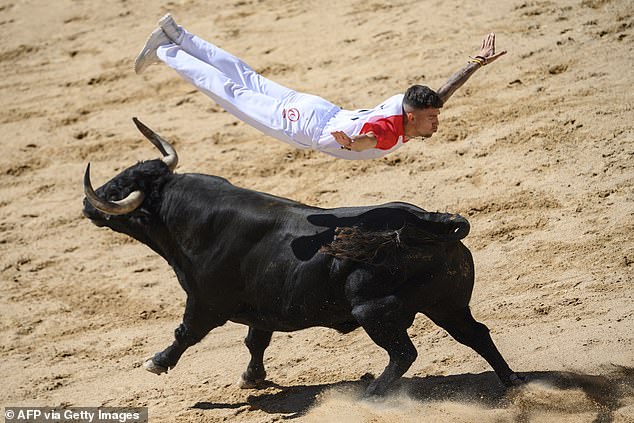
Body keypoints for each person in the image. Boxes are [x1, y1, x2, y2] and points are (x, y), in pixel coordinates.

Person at [134, 14, 506, 160]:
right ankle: (166, 50)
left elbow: (442, 92)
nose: (436, 123)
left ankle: (177, 33)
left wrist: (474, 63)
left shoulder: (409, 106)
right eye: (430, 119)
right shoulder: (391, 132)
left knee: (246, 78)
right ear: (410, 117)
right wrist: (352, 143)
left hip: (317, 107)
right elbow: (371, 140)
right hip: (305, 124)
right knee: (233, 93)